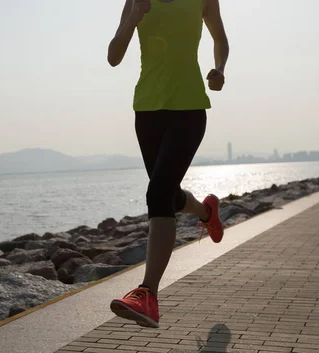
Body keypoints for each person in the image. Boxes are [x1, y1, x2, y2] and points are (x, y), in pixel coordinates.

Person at [106, 0, 230, 328]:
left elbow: (220, 38)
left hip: (189, 107)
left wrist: (219, 69)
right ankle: (206, 212)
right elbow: (113, 57)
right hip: (147, 110)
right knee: (166, 194)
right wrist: (133, 16)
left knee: (158, 192)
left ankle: (148, 294)